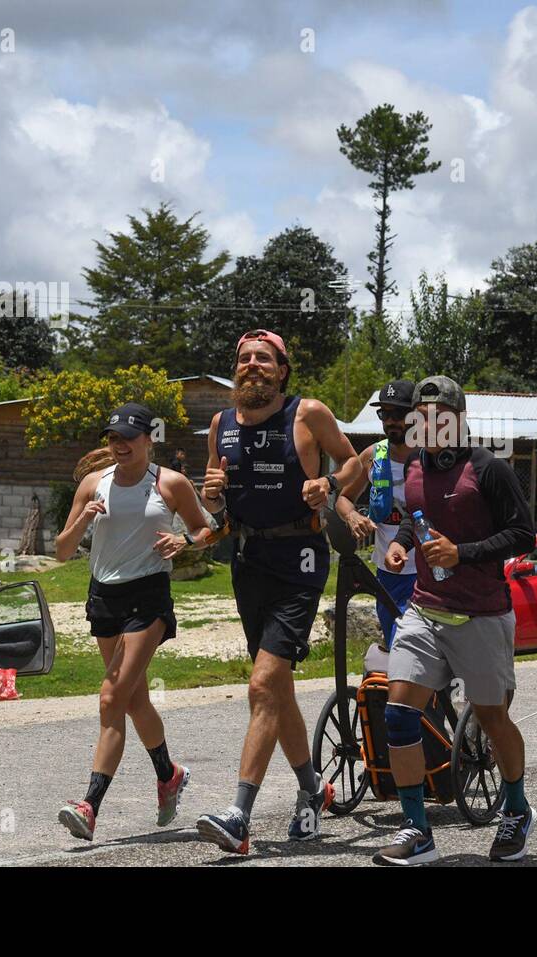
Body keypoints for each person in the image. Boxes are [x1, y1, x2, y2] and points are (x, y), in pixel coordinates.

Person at [195, 329, 364, 856]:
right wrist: (212, 505)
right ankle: (314, 790)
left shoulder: (307, 413)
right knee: (278, 689)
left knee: (263, 684)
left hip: (302, 559)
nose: (252, 366)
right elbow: (221, 519)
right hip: (249, 563)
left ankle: (239, 816)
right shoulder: (220, 426)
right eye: (244, 359)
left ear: (282, 370)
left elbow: (356, 462)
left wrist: (331, 488)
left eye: (263, 360)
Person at [372, 376, 537, 865]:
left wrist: (461, 554)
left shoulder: (487, 468)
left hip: (481, 614)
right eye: (420, 416)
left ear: (459, 418)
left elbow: (523, 535)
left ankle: (516, 808)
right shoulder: (417, 466)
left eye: (436, 415)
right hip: (424, 609)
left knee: (491, 717)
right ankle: (416, 830)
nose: (426, 424)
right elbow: (415, 514)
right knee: (398, 714)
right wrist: (402, 541)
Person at [54, 402, 219, 842]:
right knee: (132, 700)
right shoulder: (94, 484)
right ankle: (169, 774)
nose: (121, 445)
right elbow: (62, 551)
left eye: (130, 437)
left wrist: (184, 540)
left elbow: (208, 531)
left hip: (148, 598)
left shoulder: (169, 483)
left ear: (149, 439)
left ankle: (89, 806)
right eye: (114, 438)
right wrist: (83, 519)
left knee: (111, 697)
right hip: (104, 596)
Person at [334, 379, 418, 649]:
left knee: (412, 649)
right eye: (385, 414)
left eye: (399, 414)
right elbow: (343, 498)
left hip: (428, 573)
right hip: (388, 575)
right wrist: (352, 516)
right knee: (397, 647)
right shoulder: (373, 456)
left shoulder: (432, 456)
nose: (391, 421)